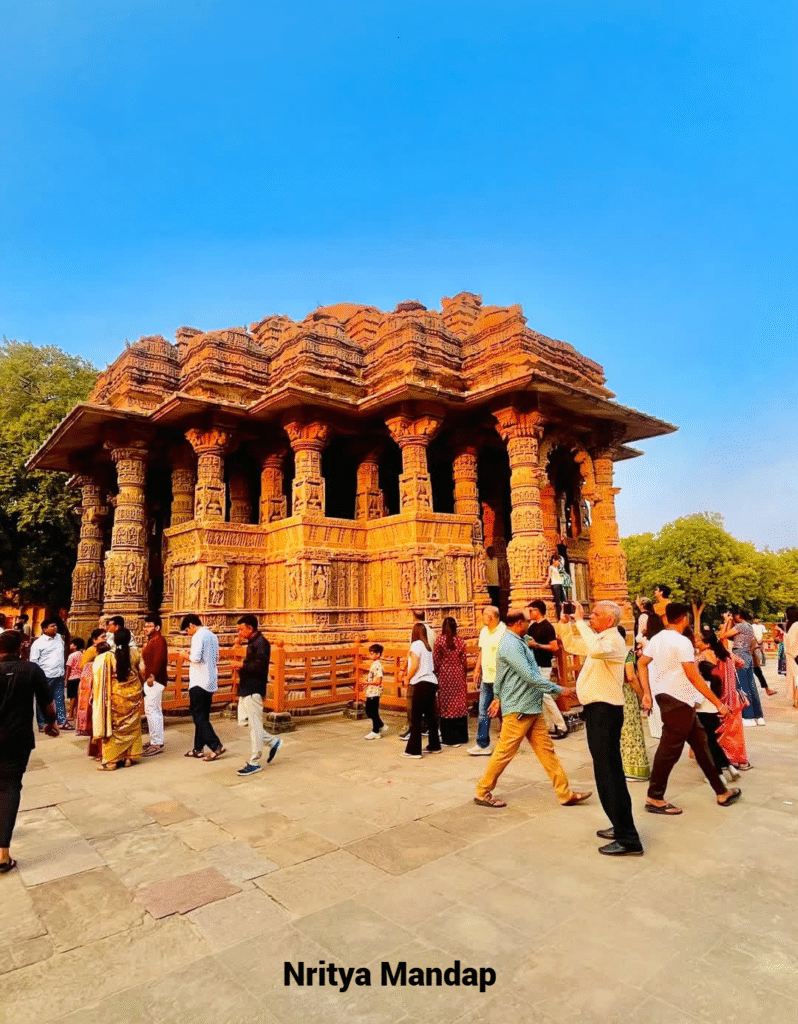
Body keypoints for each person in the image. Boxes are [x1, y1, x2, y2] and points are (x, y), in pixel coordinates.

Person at [474, 608, 589, 810]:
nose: (529, 625)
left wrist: (498, 697)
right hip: (519, 707)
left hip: (531, 706)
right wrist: (559, 689)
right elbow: (530, 676)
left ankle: (565, 793)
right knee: (504, 752)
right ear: (518, 623)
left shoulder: (518, 640)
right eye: (526, 622)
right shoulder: (510, 645)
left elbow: (500, 674)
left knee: (547, 751)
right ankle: (482, 791)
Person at [638, 603, 741, 815]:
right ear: (685, 618)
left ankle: (721, 791)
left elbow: (641, 663)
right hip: (677, 699)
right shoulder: (682, 641)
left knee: (701, 745)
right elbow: (693, 676)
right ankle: (655, 796)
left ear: (667, 618)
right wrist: (718, 703)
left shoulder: (658, 638)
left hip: (668, 697)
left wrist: (647, 692)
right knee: (669, 749)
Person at [558, 601, 642, 856]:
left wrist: (580, 621)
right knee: (603, 772)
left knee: (610, 774)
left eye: (595, 614)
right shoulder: (601, 639)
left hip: (606, 711)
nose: (591, 617)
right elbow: (575, 645)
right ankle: (619, 825)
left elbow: (593, 650)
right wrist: (566, 625)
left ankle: (629, 838)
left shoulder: (613, 641)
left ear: (609, 620)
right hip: (597, 711)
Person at [0, 629, 59, 874]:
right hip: (17, 738)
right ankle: (2, 855)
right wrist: (50, 724)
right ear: (22, 647)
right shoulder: (31, 670)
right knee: (10, 787)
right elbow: (47, 702)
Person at [233, 614, 281, 775]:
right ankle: (272, 741)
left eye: (241, 629)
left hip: (254, 688)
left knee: (255, 726)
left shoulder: (261, 643)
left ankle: (254, 761)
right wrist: (242, 666)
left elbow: (260, 667)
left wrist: (241, 665)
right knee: (243, 720)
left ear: (250, 628)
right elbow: (252, 664)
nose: (239, 633)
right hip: (246, 687)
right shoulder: (252, 643)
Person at [696, 626, 748, 773]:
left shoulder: (702, 657)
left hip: (716, 698)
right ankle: (739, 760)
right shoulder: (726, 654)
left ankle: (722, 760)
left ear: (707, 643)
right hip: (733, 697)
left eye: (699, 640)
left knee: (716, 732)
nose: (696, 642)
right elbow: (742, 663)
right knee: (735, 731)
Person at [93, 627, 145, 771]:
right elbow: (142, 671)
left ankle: (111, 761)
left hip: (116, 696)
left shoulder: (107, 657)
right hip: (134, 693)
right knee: (132, 725)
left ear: (114, 640)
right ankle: (128, 758)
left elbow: (97, 675)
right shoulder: (135, 653)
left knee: (115, 727)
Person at [181, 614, 224, 761]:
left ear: (192, 625)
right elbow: (217, 657)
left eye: (187, 630)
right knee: (203, 716)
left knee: (198, 715)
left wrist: (184, 655)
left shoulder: (198, 636)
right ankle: (197, 748)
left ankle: (215, 744)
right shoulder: (212, 636)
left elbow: (195, 658)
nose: (188, 634)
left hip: (199, 681)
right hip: (210, 679)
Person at [526, 599, 568, 739]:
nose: (530, 613)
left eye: (531, 610)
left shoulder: (547, 627)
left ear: (538, 611)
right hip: (534, 664)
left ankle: (561, 725)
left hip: (544, 664)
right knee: (539, 695)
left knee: (545, 695)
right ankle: (549, 726)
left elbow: (554, 647)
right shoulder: (532, 627)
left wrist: (537, 645)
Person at [468, 606, 506, 755]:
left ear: (490, 617)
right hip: (487, 678)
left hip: (501, 678)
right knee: (483, 711)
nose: (481, 617)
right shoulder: (484, 631)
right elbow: (482, 650)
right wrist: (477, 668)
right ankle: (482, 744)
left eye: (484, 615)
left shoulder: (504, 632)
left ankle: (508, 742)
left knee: (505, 711)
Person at [719, 610, 765, 726]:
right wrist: (729, 622)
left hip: (739, 654)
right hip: (747, 655)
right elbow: (730, 637)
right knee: (751, 685)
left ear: (738, 616)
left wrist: (726, 621)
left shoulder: (740, 626)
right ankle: (758, 716)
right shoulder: (748, 626)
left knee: (742, 685)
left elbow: (722, 636)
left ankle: (748, 716)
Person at [402, 623, 441, 759]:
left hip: (421, 683)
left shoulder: (416, 645)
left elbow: (415, 664)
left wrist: (407, 677)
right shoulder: (427, 647)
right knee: (430, 716)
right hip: (432, 682)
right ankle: (434, 745)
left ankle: (414, 750)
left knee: (416, 717)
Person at [619, 627, 650, 783]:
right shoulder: (627, 653)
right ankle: (634, 769)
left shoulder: (605, 652)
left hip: (611, 693)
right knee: (632, 730)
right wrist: (642, 695)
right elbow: (630, 676)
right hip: (626, 694)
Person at [398, 611, 435, 741]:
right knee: (428, 707)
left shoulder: (416, 639)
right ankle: (429, 731)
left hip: (417, 677)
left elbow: (413, 659)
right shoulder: (431, 632)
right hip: (430, 676)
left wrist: (406, 674)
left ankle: (412, 729)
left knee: (412, 704)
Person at [433, 617, 469, 747]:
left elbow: (436, 660)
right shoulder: (460, 641)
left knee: (446, 704)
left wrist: (436, 672)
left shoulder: (439, 641)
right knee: (459, 703)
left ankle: (448, 737)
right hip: (458, 673)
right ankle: (461, 736)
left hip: (445, 674)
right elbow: (464, 661)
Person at [30, 619, 67, 731]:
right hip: (45, 675)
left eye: (55, 625)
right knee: (43, 700)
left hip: (59, 674)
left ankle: (62, 721)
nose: (55, 627)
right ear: (45, 629)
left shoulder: (59, 638)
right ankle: (42, 723)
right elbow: (34, 661)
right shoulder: (38, 643)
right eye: (52, 626)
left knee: (60, 698)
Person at [142, 613, 169, 757]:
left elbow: (159, 659)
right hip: (152, 679)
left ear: (157, 627)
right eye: (145, 625)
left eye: (149, 626)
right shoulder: (152, 640)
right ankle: (155, 739)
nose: (146, 628)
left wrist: (152, 675)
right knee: (153, 711)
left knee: (152, 711)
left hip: (155, 680)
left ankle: (156, 742)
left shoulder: (158, 640)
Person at [76, 628, 106, 750]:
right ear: (94, 640)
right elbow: (83, 666)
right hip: (91, 686)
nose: (105, 639)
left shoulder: (104, 650)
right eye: (103, 637)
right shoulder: (91, 650)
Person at [642, 612, 666, 740]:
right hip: (660, 668)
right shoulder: (662, 638)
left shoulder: (645, 639)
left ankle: (656, 729)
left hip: (650, 668)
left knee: (652, 696)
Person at [363, 643, 388, 740]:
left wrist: (367, 683)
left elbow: (378, 680)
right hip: (370, 691)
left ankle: (376, 729)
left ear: (377, 654)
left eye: (372, 653)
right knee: (370, 711)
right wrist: (365, 684)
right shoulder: (374, 664)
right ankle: (379, 725)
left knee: (372, 711)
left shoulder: (378, 665)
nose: (370, 656)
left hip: (375, 692)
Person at [64, 637, 85, 724]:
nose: (70, 645)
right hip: (80, 678)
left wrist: (66, 679)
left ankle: (70, 713)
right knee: (78, 696)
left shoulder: (72, 656)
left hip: (72, 678)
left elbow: (68, 668)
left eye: (72, 644)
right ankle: (76, 714)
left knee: (72, 697)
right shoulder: (82, 655)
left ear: (75, 646)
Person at [784, 606, 798, 708]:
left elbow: (790, 642)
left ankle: (796, 701)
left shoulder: (795, 625)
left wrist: (782, 633)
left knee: (795, 678)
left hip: (794, 655)